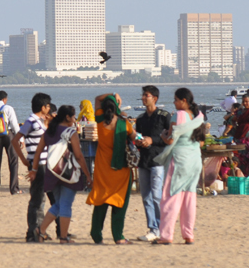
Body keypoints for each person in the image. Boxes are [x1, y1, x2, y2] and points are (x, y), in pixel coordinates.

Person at [32, 105, 92, 243]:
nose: (74, 118)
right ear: (67, 117)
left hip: (53, 172)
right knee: (65, 205)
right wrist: (87, 174)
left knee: (58, 204)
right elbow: (79, 156)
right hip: (67, 173)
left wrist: (34, 170)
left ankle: (41, 231)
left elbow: (38, 152)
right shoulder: (71, 132)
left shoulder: (49, 132)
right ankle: (63, 238)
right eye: (73, 116)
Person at [153, 88, 205, 245]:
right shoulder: (198, 116)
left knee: (170, 197)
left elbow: (170, 139)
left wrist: (162, 135)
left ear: (184, 101)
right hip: (195, 160)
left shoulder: (179, 115)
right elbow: (201, 141)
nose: (174, 103)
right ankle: (188, 235)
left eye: (176, 100)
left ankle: (166, 235)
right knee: (189, 197)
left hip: (179, 159)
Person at [87, 93, 137, 245]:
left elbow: (96, 98)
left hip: (103, 168)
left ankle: (96, 234)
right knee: (119, 202)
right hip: (120, 169)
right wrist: (146, 139)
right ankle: (118, 236)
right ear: (117, 107)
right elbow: (135, 137)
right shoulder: (124, 123)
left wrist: (112, 95)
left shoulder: (100, 120)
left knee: (101, 201)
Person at [12, 92, 53, 242]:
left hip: (43, 164)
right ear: (43, 107)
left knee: (41, 198)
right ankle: (33, 232)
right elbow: (15, 140)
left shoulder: (39, 121)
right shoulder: (31, 121)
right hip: (37, 165)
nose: (49, 109)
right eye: (48, 106)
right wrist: (23, 160)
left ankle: (39, 230)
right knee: (37, 199)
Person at [134, 85, 172, 242]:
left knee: (157, 195)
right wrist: (139, 141)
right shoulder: (141, 119)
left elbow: (170, 138)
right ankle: (153, 228)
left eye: (146, 95)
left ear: (155, 98)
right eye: (143, 95)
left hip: (158, 160)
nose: (143, 98)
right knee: (146, 196)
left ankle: (161, 228)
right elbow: (137, 137)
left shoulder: (164, 116)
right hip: (144, 160)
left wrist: (152, 140)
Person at [0, 90, 21, 196]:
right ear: (4, 99)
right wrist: (21, 139)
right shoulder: (8, 108)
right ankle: (13, 188)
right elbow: (15, 125)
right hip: (8, 135)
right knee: (13, 160)